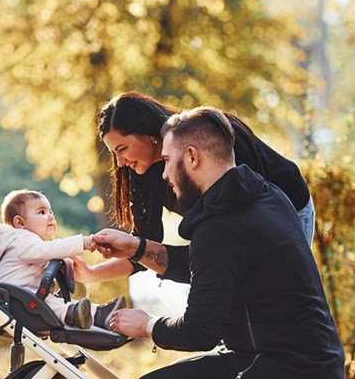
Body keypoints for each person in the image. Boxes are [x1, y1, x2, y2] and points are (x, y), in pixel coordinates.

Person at [93, 107, 345, 379]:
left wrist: (146, 325)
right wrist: (140, 249)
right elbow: (209, 264)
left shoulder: (219, 228)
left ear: (192, 158)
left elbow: (199, 331)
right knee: (202, 376)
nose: (162, 175)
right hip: (313, 366)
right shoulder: (266, 197)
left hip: (282, 372)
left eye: (169, 162)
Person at [71, 92, 314, 285]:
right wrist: (91, 274)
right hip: (233, 225)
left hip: (287, 210)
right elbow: (144, 248)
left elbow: (255, 210)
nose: (120, 162)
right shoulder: (139, 170)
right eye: (114, 154)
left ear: (148, 134)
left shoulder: (207, 138)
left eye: (122, 149)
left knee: (267, 290)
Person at [0, 189, 124, 329]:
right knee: (53, 306)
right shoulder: (19, 239)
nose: (50, 216)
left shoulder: (28, 244)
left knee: (56, 304)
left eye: (50, 211)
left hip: (24, 297)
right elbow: (47, 250)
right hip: (14, 300)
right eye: (42, 212)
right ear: (20, 223)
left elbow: (44, 254)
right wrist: (82, 242)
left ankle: (100, 314)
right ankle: (79, 314)